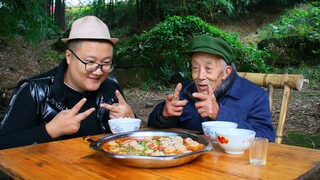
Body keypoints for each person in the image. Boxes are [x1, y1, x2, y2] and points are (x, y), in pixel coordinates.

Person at [0, 16, 135, 149]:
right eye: (90, 62)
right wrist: (49, 130)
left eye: (106, 63)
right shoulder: (34, 90)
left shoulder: (111, 89)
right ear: (69, 57)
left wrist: (131, 119)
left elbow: (133, 143)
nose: (98, 71)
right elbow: (4, 143)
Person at [148, 34, 276, 142]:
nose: (200, 76)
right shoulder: (185, 90)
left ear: (226, 72)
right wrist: (164, 113)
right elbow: (153, 128)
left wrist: (220, 113)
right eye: (195, 68)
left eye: (208, 68)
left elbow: (267, 138)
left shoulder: (255, 95)